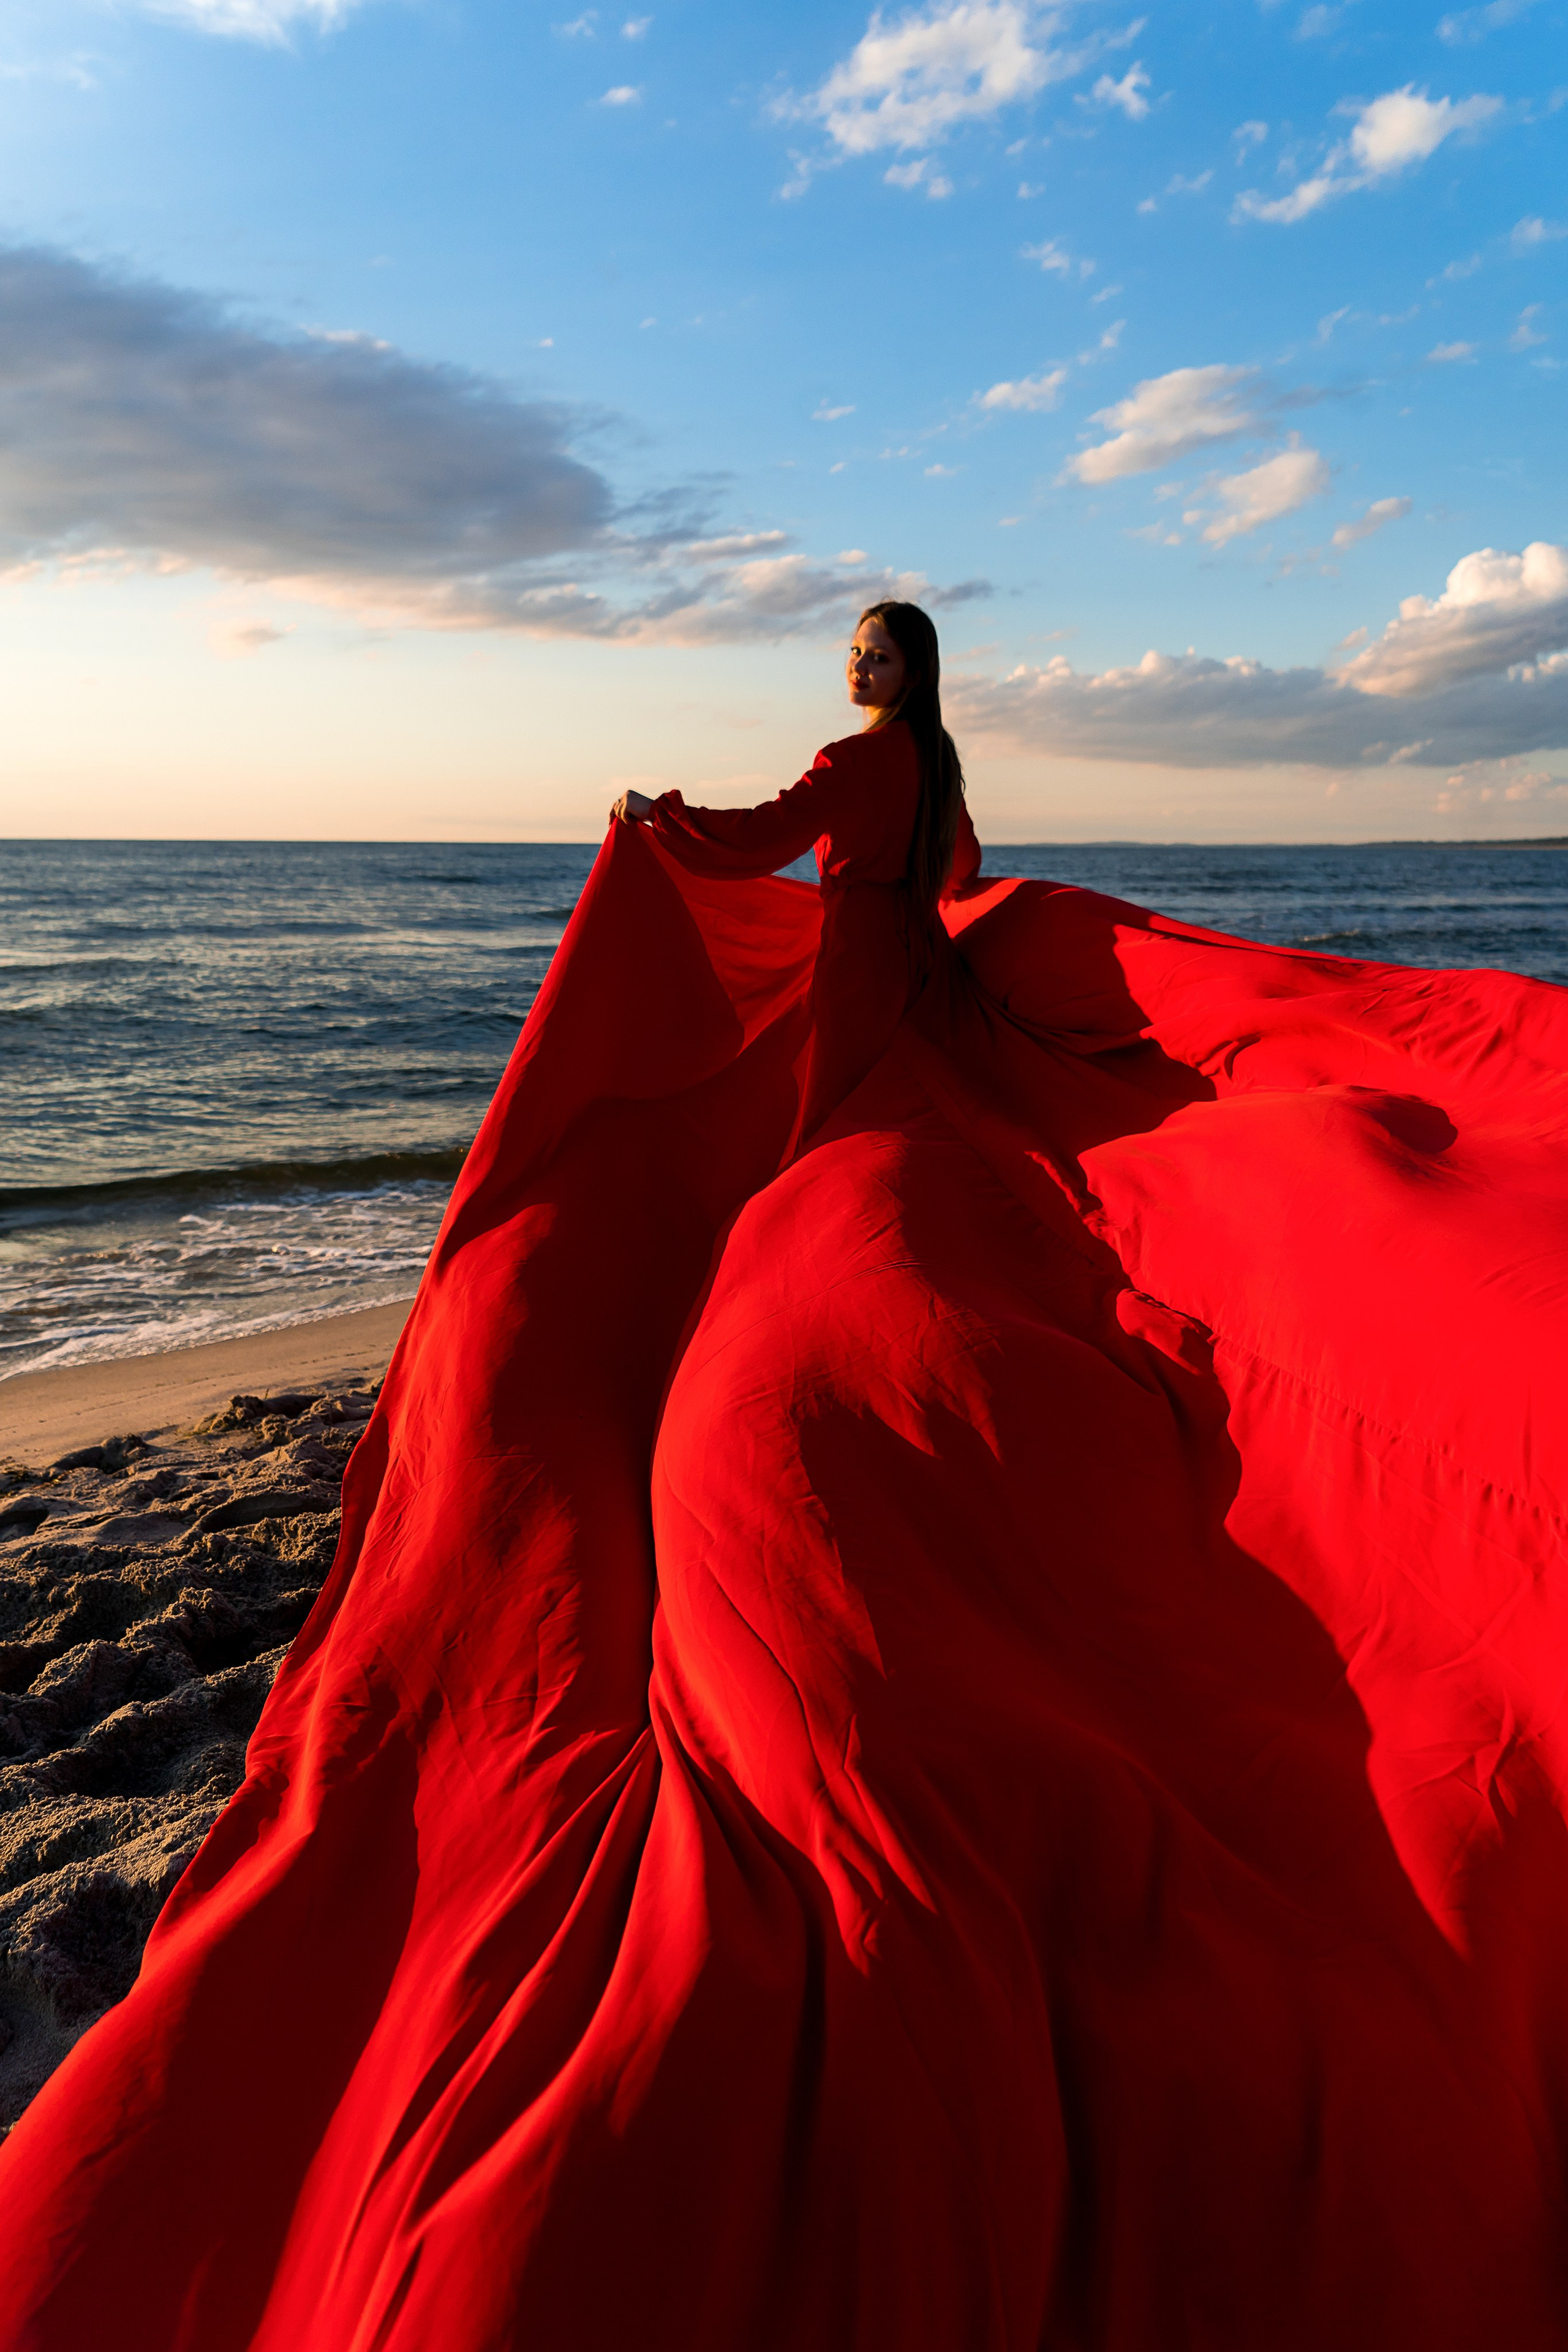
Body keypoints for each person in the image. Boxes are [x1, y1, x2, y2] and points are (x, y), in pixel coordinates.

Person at [2, 604, 1567, 2352]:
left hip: (857, 1025)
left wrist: (655, 828)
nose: (853, 670)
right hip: (911, 995)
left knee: (807, 1210)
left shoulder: (858, 760)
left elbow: (763, 844)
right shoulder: (941, 769)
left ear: (881, 671)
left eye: (862, 651)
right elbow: (950, 871)